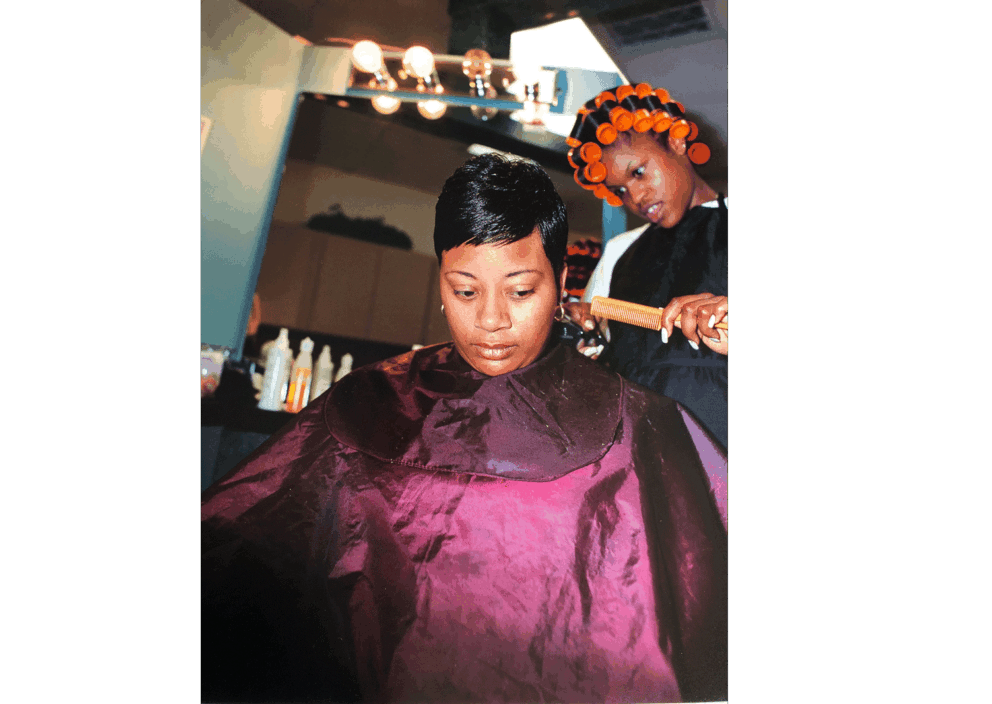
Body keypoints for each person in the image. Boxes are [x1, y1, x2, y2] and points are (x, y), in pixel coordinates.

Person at [201, 154, 728, 703]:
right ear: (440, 281)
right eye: (466, 291)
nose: (492, 320)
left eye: (521, 291)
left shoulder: (637, 424)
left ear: (562, 280)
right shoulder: (365, 405)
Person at [564, 84, 729, 448]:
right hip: (634, 452)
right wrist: (579, 330)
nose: (635, 198)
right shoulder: (620, 252)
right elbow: (594, 349)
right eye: (620, 190)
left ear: (678, 143)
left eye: (638, 172)